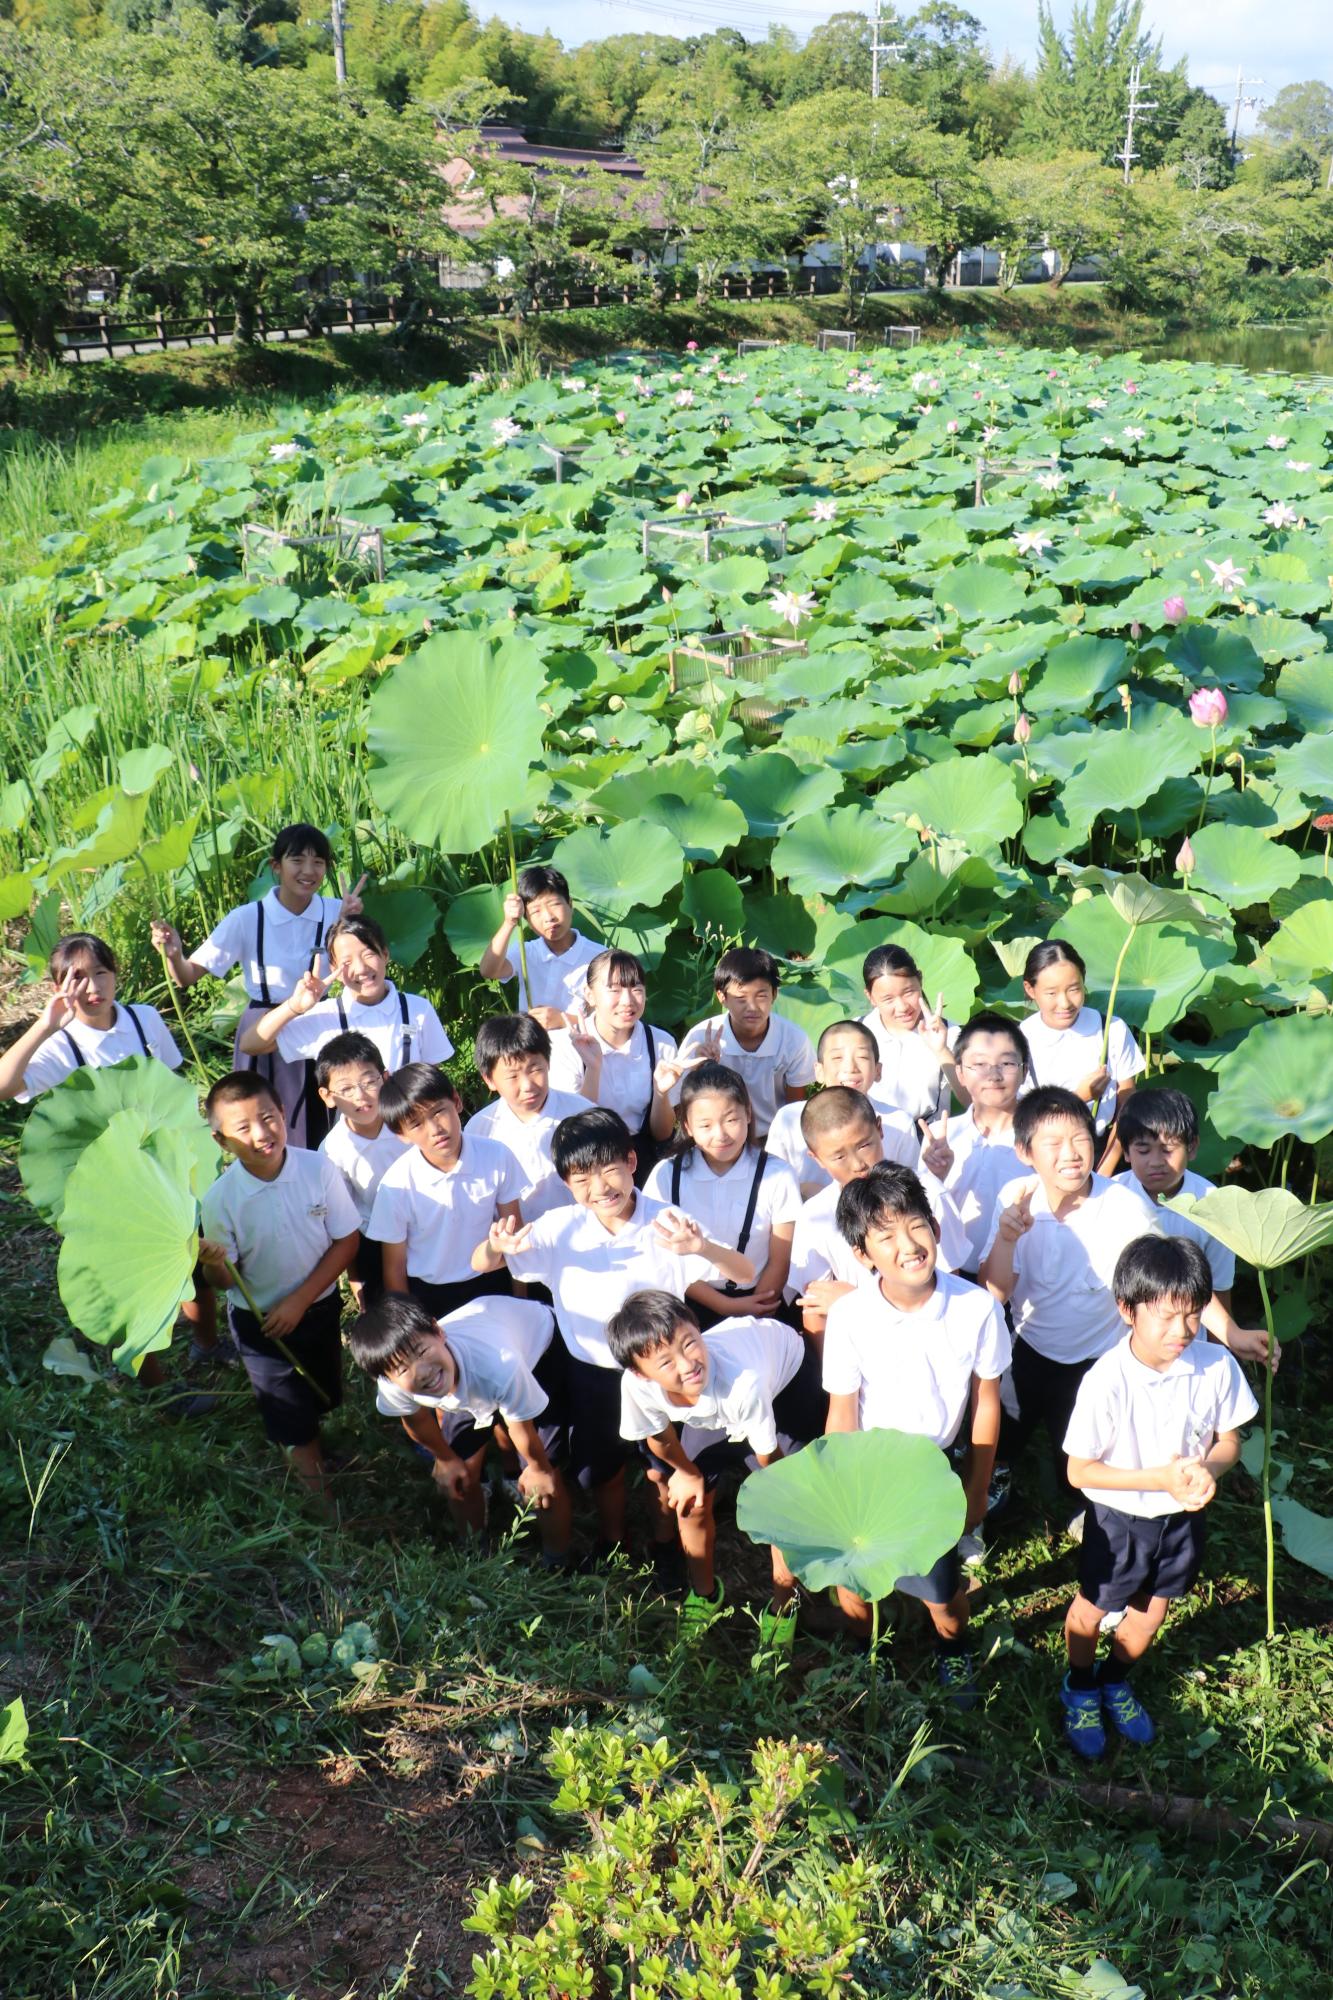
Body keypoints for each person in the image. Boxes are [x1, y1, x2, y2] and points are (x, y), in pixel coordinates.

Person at [471, 1107, 756, 1558]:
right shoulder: (558, 1228)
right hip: (592, 1375)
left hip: (659, 1375)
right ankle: (612, 1541)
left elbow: (744, 1270)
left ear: (631, 1162)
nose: (600, 1188)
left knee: (662, 1467)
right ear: (566, 1183)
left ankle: (664, 1549)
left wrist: (701, 1247)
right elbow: (481, 1263)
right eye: (581, 1178)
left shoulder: (667, 1222)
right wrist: (495, 1246)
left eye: (609, 1171)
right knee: (601, 1469)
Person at [1059, 1236, 1257, 1759]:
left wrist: (1207, 1470)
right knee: (1094, 1606)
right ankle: (1079, 1685)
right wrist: (1159, 1479)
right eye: (1166, 1317)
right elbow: (1080, 1470)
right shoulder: (1107, 1380)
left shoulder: (1215, 1365)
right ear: (1127, 1310)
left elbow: (1230, 1439)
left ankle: (1115, 1679)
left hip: (1182, 1515)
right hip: (1121, 1517)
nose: (1181, 1331)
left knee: (1151, 1612)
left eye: (1193, 1316)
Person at [0, 931, 221, 1398]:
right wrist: (44, 1025)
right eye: (77, 977)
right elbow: (3, 1086)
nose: (93, 986)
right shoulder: (59, 1046)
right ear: (60, 986)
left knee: (193, 1255)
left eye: (101, 972)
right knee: (131, 1280)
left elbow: (171, 1084)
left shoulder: (142, 1020)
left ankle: (208, 1344)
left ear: (116, 974)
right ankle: (157, 1388)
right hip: (102, 1181)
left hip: (160, 1163)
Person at [825, 1164, 1011, 1707]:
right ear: (863, 1255)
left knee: (941, 1588)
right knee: (854, 1581)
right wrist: (839, 1487)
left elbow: (987, 1401)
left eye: (916, 1226)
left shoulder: (975, 1306)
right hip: (868, 1469)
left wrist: (976, 1488)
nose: (908, 1245)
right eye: (886, 1237)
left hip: (934, 1469)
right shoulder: (851, 1316)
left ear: (934, 1226)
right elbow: (842, 1410)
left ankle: (954, 1651)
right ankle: (862, 1651)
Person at [978, 1087, 1162, 1528]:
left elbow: (1161, 1281)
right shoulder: (1016, 1198)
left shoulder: (1124, 1207)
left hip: (1097, 1357)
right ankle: (987, 1491)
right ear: (1025, 1152)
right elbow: (994, 1294)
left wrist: (1228, 1333)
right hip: (1026, 1343)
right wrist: (1007, 1238)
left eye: (1080, 1139)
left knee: (1080, 1448)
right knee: (1004, 1431)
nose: (1071, 1154)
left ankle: (1084, 1502)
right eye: (1053, 1144)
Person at [609, 1288, 825, 1644]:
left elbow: (776, 1473)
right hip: (718, 1410)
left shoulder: (744, 1382)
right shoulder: (635, 1387)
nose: (687, 1363)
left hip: (788, 1387)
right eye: (665, 1362)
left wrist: (783, 1504)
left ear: (696, 1327)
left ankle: (783, 1608)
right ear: (641, 1373)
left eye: (689, 1343)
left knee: (788, 1510)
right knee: (689, 1501)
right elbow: (658, 1437)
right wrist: (687, 1472)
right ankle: (705, 1594)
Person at [151, 822, 364, 1147]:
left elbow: (361, 966)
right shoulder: (248, 918)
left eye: (318, 862)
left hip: (318, 1024)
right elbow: (188, 975)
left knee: (323, 1130)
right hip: (265, 1028)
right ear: (276, 866)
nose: (309, 871)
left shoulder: (336, 911)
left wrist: (352, 923)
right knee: (264, 1128)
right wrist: (173, 953)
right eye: (298, 861)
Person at [198, 1072, 360, 1498]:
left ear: (284, 1113)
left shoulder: (317, 1168)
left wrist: (301, 1301)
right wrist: (213, 1264)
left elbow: (346, 1240)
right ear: (221, 1141)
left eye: (268, 1118)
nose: (261, 1133)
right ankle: (323, 1508)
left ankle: (317, 1445)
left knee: (322, 1391)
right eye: (243, 1128)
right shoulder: (220, 1201)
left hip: (320, 1307)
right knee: (287, 1410)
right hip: (261, 1322)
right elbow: (220, 1280)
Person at [347, 1291, 573, 1562]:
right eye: (403, 1370)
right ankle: (475, 1552)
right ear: (385, 1377)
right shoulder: (393, 1384)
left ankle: (558, 1561)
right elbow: (416, 1420)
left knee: (545, 1481)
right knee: (458, 1473)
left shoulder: (500, 1364)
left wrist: (538, 1468)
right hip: (470, 1383)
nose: (422, 1371)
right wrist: (445, 1458)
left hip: (539, 1355)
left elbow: (521, 1427)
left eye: (421, 1351)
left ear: (438, 1331)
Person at [1116, 1088, 1279, 1370]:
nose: (1155, 1161)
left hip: (1186, 1346)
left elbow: (1218, 1287)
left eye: (1167, 1149)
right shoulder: (1113, 1197)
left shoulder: (1214, 1205)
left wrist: (1221, 1356)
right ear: (1127, 1152)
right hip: (1120, 1344)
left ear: (1192, 1147)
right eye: (1143, 1150)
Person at [645, 1062, 802, 1327]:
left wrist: (756, 1307)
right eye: (705, 1125)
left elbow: (780, 1259)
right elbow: (664, 1255)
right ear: (687, 1126)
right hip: (688, 1304)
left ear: (749, 1114)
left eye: (731, 1120)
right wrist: (725, 1306)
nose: (720, 1135)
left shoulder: (778, 1174)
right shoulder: (666, 1174)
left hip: (760, 1304)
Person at [365, 1063, 523, 1315]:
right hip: (430, 1295)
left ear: (456, 1101)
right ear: (400, 1134)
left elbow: (514, 1232)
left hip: (493, 1282)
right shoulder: (397, 1185)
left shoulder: (497, 1155)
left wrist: (520, 1302)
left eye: (438, 1112)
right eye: (416, 1124)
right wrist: (413, 1325)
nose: (435, 1129)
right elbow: (394, 1268)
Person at [785, 1085, 930, 1340]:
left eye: (864, 1146)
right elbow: (816, 1307)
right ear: (816, 1158)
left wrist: (856, 1300)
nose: (858, 1164)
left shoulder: (927, 1193)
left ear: (879, 1128)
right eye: (838, 1157)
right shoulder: (814, 1216)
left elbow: (947, 1284)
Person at [239, 914, 452, 1083]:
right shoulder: (326, 1016)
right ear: (334, 969)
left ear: (385, 954)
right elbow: (250, 1044)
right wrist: (294, 1007)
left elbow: (434, 1075)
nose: (361, 968)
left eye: (368, 954)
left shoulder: (417, 1009)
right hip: (354, 1133)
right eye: (347, 962)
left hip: (409, 1128)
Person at [549, 949, 680, 1184]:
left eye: (636, 989)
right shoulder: (564, 1045)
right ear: (589, 994)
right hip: (588, 1157)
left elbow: (663, 1135)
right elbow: (574, 1129)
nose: (627, 1000)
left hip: (643, 1158)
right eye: (614, 989)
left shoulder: (660, 1043)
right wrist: (594, 1069)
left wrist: (661, 1093)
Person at [916, 1011, 1027, 1277]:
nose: (993, 1075)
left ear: (1025, 1071)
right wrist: (934, 1177)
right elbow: (919, 1211)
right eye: (978, 1064)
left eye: (1007, 1063)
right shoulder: (940, 1135)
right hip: (954, 1276)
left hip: (1026, 1278)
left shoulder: (1043, 1139)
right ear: (960, 1074)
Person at [674, 946, 816, 1138]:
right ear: (721, 997)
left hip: (774, 1136)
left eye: (761, 996)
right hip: (717, 1137)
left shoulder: (794, 1040)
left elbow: (794, 1110)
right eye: (740, 998)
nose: (752, 1007)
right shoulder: (700, 1037)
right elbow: (683, 1105)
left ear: (774, 994)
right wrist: (702, 1069)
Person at [464, 1014, 592, 1222]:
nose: (527, 1085)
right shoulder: (480, 1130)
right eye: (512, 1076)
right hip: (515, 1243)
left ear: (548, 1063)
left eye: (535, 1070)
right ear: (489, 1079)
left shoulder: (583, 1114)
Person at [1020, 940, 1143, 1146]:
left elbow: (1127, 1104)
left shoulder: (1111, 1029)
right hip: (1045, 1149)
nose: (1065, 1003)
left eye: (1074, 989)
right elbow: (1024, 1119)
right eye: (1051, 993)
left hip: (1106, 1146)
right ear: (1030, 989)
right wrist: (1079, 1097)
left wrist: (1106, 1167)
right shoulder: (1020, 1039)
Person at [315, 1030, 406, 1307]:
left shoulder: (409, 1123)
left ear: (386, 1078)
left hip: (428, 1227)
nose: (360, 1096)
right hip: (374, 1242)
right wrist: (356, 1281)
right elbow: (345, 1223)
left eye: (369, 1082)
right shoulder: (332, 1151)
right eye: (346, 1089)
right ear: (327, 1096)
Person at [766, 1020, 887, 1197]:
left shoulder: (899, 1122)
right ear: (819, 1071)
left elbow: (908, 1184)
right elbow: (772, 1186)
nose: (850, 1067)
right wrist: (803, 1191)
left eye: (861, 1057)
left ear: (878, 1070)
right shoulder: (788, 1118)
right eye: (838, 1058)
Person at [478, 864, 602, 1028]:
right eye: (536, 911)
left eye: (554, 904)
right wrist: (509, 923)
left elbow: (610, 1018)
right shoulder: (525, 952)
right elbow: (488, 970)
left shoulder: (600, 958)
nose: (548, 917)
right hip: (530, 1051)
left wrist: (564, 1020)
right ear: (527, 919)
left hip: (582, 1051)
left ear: (570, 905)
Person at [861, 944, 960, 1124]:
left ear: (920, 980)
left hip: (930, 1139)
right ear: (870, 997)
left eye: (908, 992)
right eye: (888, 999)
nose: (902, 1007)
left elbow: (973, 1099)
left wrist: (942, 1050)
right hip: (870, 1138)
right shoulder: (856, 1032)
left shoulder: (949, 1033)